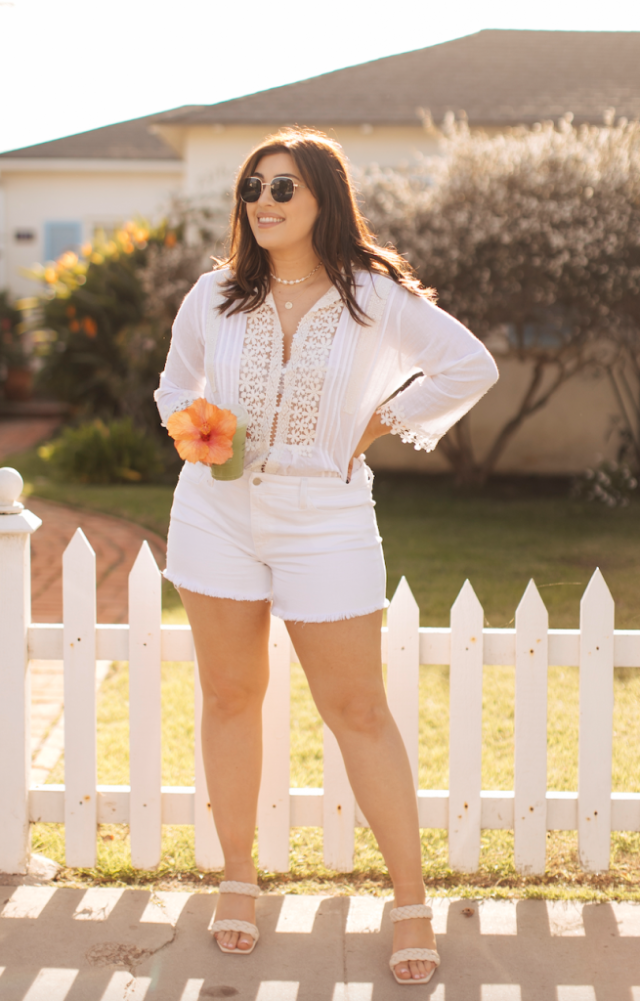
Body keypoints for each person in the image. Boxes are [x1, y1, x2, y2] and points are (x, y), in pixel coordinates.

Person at [154, 127, 498, 986]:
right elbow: (172, 385)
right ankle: (239, 876)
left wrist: (375, 424)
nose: (263, 203)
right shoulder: (214, 295)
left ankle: (410, 899)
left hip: (328, 518)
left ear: (322, 201)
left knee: (358, 708)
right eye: (252, 190)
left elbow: (469, 364)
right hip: (216, 514)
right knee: (231, 695)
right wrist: (202, 433)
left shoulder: (373, 296)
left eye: (283, 189)